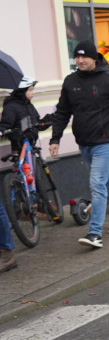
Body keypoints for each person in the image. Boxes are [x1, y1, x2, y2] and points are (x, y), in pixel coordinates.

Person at [48, 41, 109, 249]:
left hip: (105, 142)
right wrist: (55, 139)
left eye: (84, 57)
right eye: (77, 57)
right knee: (104, 181)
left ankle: (95, 232)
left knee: (96, 184)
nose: (80, 60)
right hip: (84, 142)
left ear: (94, 58)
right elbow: (62, 112)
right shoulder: (71, 81)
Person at [0, 76, 46, 272]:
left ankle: (7, 252)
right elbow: (5, 123)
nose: (33, 93)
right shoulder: (12, 106)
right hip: (19, 143)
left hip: (28, 142)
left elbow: (34, 119)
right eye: (31, 89)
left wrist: (44, 123)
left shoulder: (27, 104)